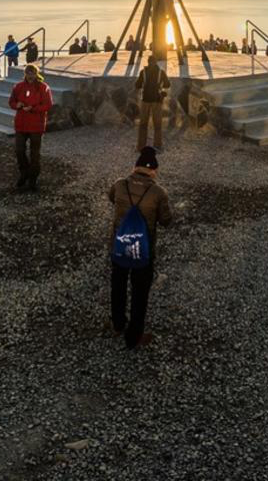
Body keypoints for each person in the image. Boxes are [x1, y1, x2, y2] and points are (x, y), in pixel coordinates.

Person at [107, 146, 173, 350]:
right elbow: (166, 221)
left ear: (135, 167)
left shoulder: (119, 185)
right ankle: (134, 336)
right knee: (139, 292)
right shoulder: (158, 192)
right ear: (154, 170)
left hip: (119, 246)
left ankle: (117, 324)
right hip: (143, 251)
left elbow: (111, 198)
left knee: (118, 285)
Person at [9, 64, 53, 190]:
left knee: (35, 153)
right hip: (21, 124)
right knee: (19, 150)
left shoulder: (43, 88)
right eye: (28, 73)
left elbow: (48, 105)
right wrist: (17, 105)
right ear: (25, 74)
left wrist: (33, 108)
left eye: (32, 73)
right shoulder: (18, 87)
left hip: (36, 125)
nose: (30, 76)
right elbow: (11, 102)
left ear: (36, 74)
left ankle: (33, 178)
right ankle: (24, 173)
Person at [134, 57, 170, 150]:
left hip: (145, 100)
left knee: (143, 124)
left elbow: (137, 85)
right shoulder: (161, 72)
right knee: (157, 124)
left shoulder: (143, 72)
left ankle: (140, 146)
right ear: (156, 62)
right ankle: (157, 146)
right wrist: (161, 88)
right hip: (157, 100)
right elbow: (168, 84)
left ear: (148, 62)